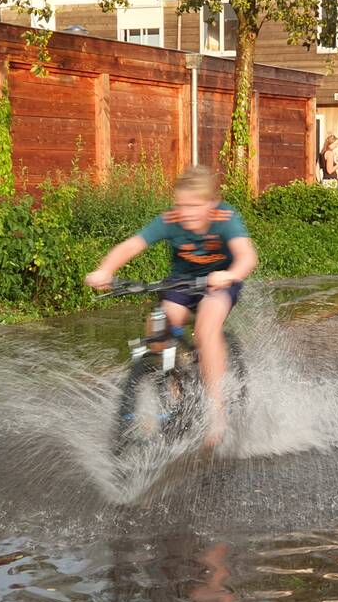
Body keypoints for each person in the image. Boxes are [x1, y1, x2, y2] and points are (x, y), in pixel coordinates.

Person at [84, 165, 258, 447]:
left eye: (194, 205)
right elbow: (132, 245)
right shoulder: (171, 219)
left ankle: (216, 410)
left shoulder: (226, 218)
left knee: (205, 328)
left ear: (211, 204)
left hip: (219, 282)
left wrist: (230, 274)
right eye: (180, 204)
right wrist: (105, 270)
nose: (185, 212)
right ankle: (174, 390)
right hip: (181, 282)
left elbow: (247, 257)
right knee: (159, 325)